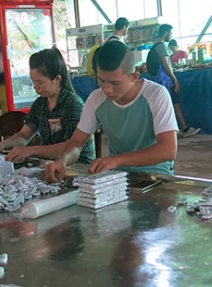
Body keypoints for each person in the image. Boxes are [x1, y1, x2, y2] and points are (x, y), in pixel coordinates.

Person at [45, 40, 177, 182]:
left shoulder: (156, 95)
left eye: (115, 83)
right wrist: (63, 161)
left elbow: (168, 150)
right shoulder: (96, 98)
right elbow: (76, 143)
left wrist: (116, 160)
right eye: (101, 81)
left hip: (156, 175)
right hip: (117, 175)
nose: (107, 89)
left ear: (134, 77)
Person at [0, 47, 95, 164]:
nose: (35, 86)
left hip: (78, 167)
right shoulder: (39, 104)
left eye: (40, 82)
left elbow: (71, 146)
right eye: (33, 81)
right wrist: (0, 145)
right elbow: (24, 135)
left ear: (56, 80)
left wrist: (31, 150)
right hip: (51, 164)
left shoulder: (73, 104)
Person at [147, 24, 200, 138]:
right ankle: (183, 128)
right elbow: (166, 64)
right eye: (170, 33)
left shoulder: (155, 45)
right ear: (166, 33)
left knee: (168, 105)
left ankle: (170, 129)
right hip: (166, 80)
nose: (171, 35)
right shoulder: (161, 46)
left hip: (160, 80)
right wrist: (175, 80)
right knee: (175, 103)